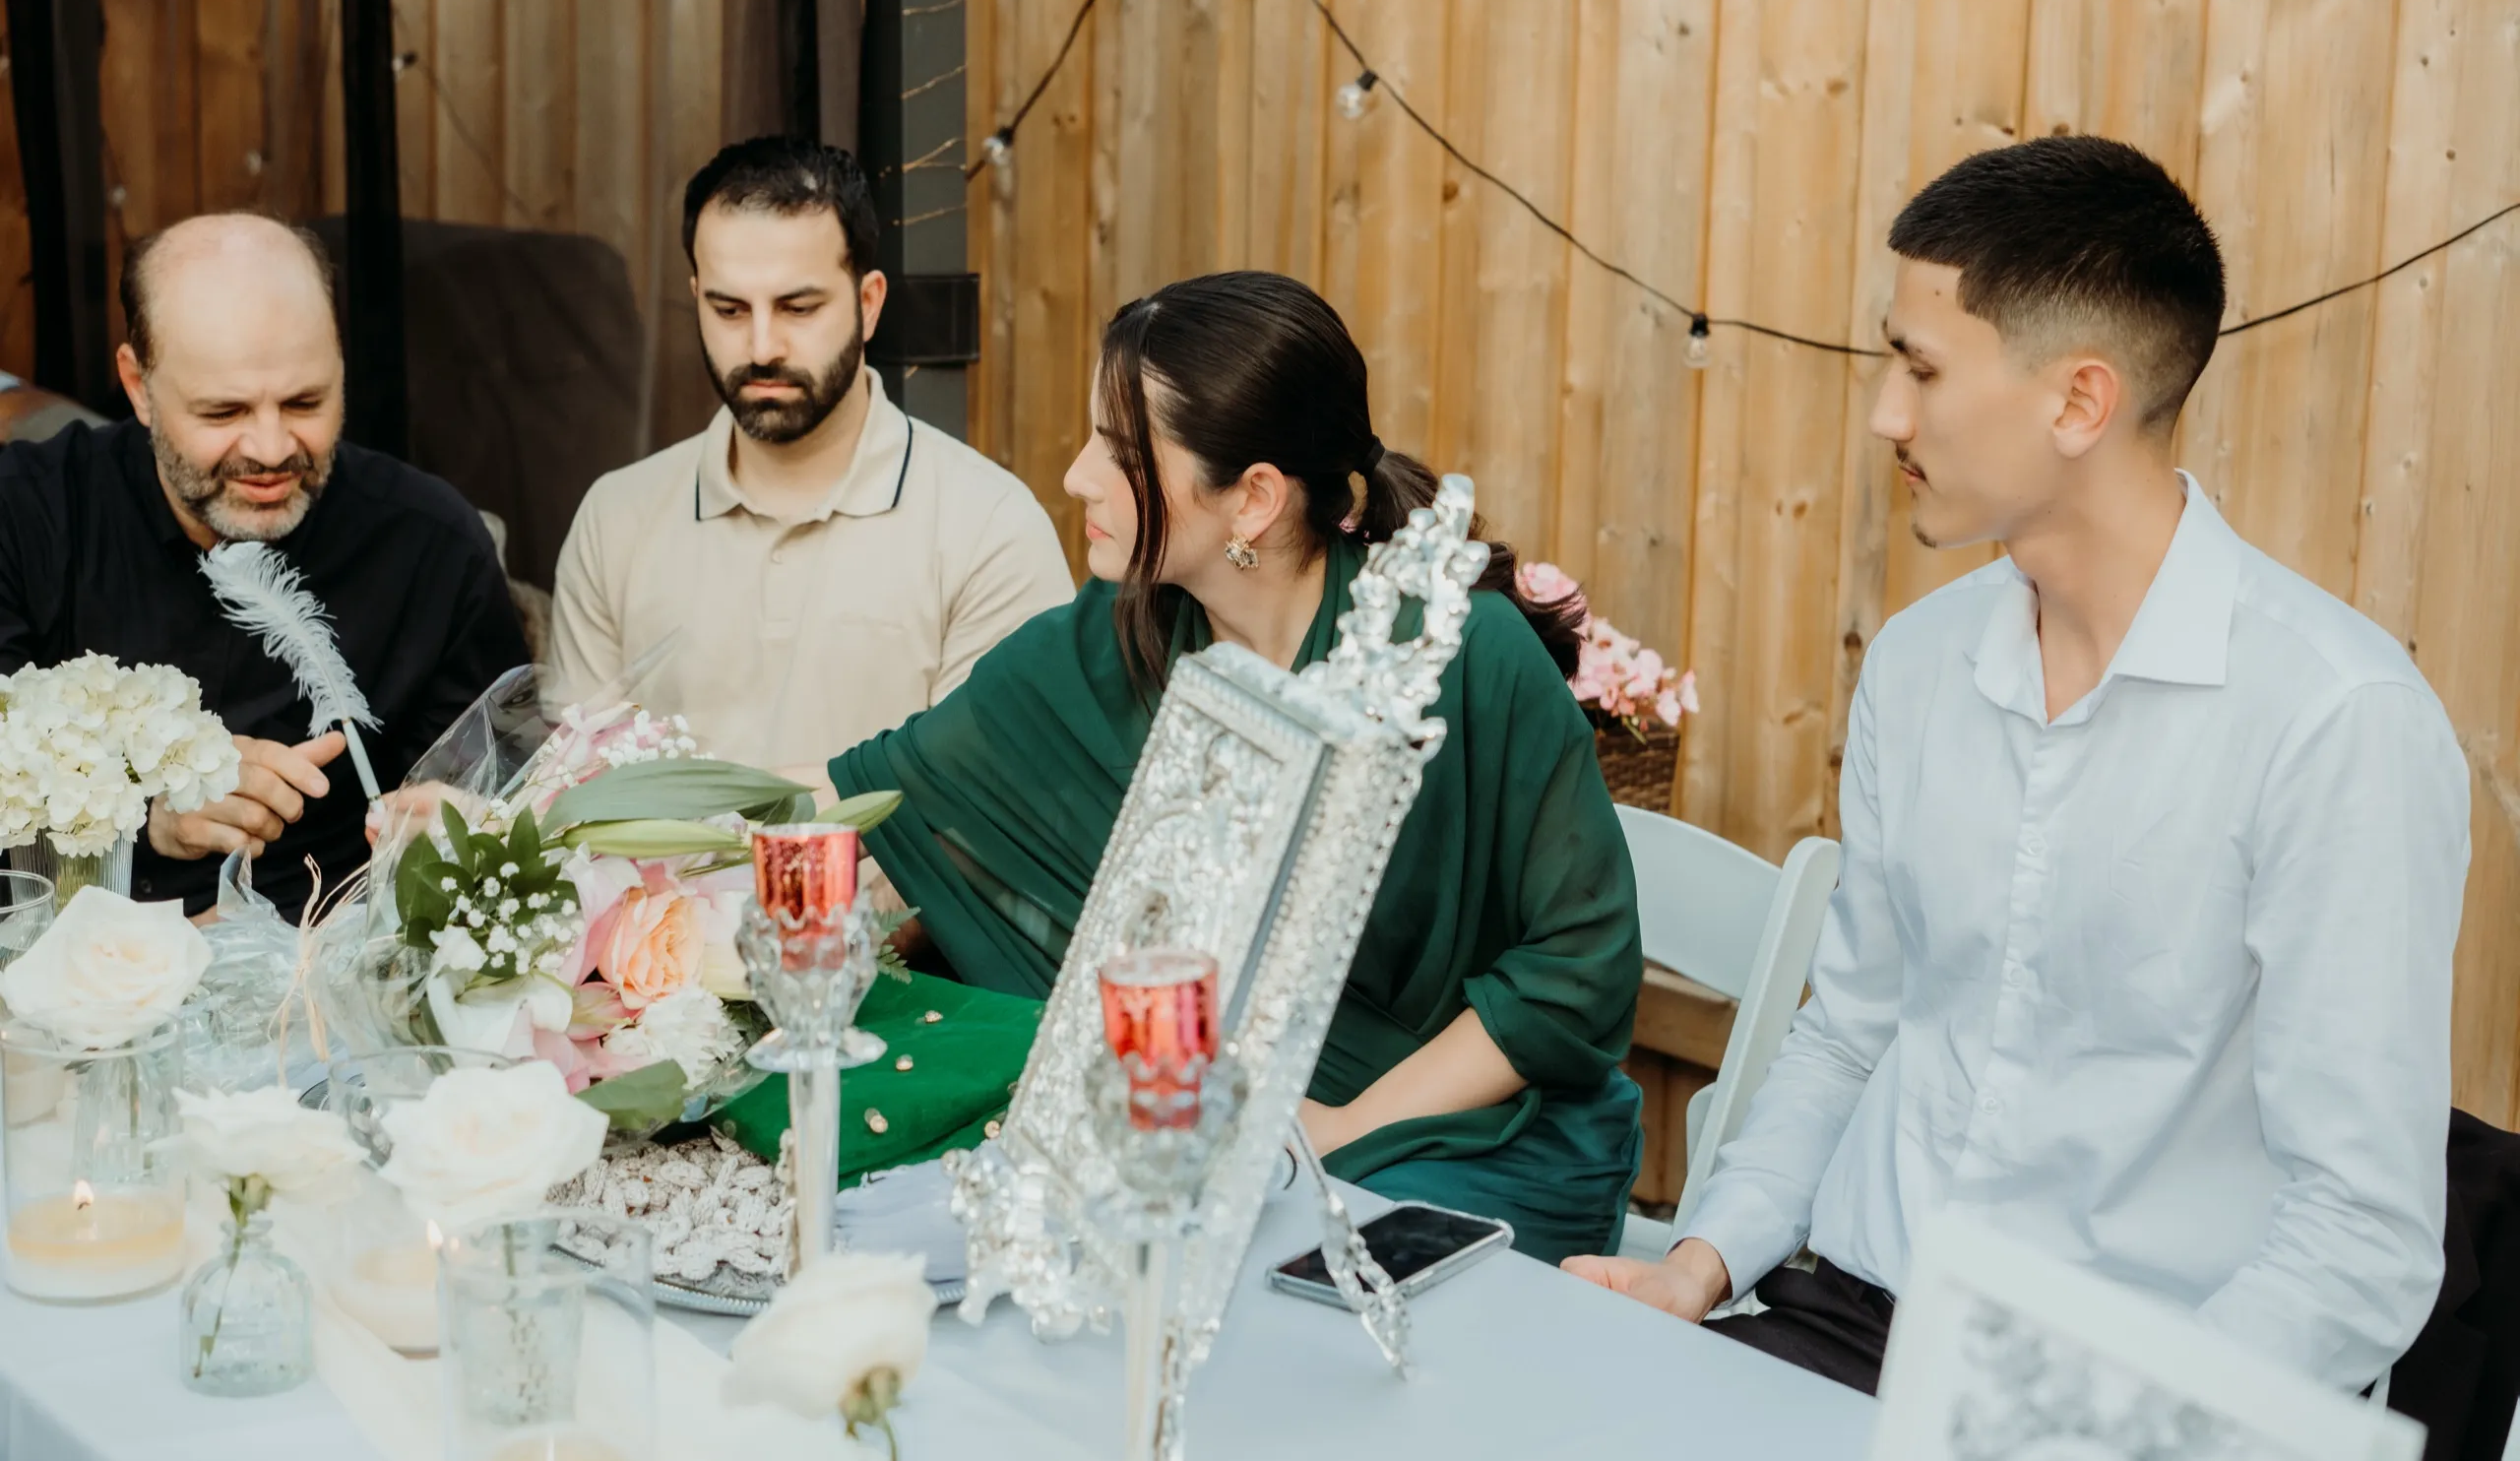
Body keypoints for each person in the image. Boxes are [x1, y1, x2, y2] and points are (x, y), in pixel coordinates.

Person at [1565, 137, 2468, 1394]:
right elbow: (1849, 1034)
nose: (1886, 413)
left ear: (2078, 402)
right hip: (1845, 1314)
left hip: (2116, 1387)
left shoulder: (2336, 722)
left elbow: (2358, 1233)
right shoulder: (1918, 661)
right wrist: (1698, 1260)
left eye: (1922, 367)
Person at [827, 271, 1646, 1264]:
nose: (1078, 475)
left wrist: (1334, 1130)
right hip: (1206, 1120)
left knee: (1246, 1258)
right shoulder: (1111, 636)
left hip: (1456, 1135)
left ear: (1253, 497)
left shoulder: (1465, 657)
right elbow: (897, 808)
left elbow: (1577, 969)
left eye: (1120, 451)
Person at [0, 213, 530, 915]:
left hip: (326, 953)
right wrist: (143, 818)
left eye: (306, 401)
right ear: (138, 386)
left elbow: (511, 792)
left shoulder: (432, 547)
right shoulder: (23, 518)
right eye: (224, 413)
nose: (273, 449)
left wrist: (467, 828)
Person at [549, 137, 1072, 787]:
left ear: (869, 303)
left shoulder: (988, 528)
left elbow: (991, 802)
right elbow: (571, 796)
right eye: (728, 309)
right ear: (696, 297)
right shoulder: (616, 519)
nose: (762, 346)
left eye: (798, 308)